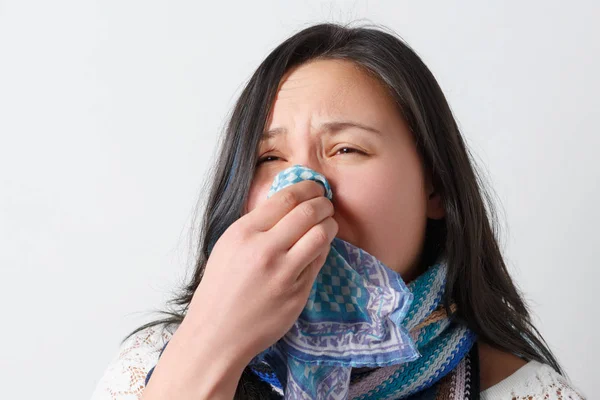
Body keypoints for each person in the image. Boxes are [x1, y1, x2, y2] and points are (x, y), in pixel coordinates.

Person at [90, 22, 586, 399]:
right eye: (269, 158)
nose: (303, 186)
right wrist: (212, 342)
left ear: (434, 186)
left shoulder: (526, 391)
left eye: (346, 149)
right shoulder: (150, 365)